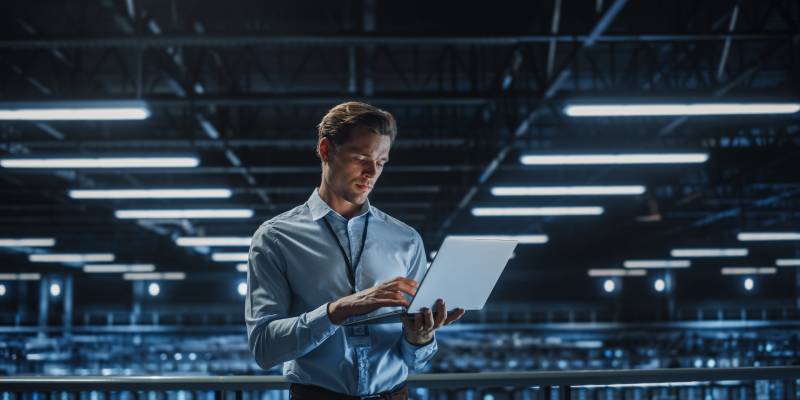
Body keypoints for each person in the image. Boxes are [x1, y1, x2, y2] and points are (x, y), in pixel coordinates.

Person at [246, 101, 465, 399]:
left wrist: (420, 337)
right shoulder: (276, 238)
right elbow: (264, 349)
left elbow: (416, 360)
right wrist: (339, 310)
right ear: (325, 150)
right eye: (361, 157)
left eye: (381, 162)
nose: (371, 172)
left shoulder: (406, 240)